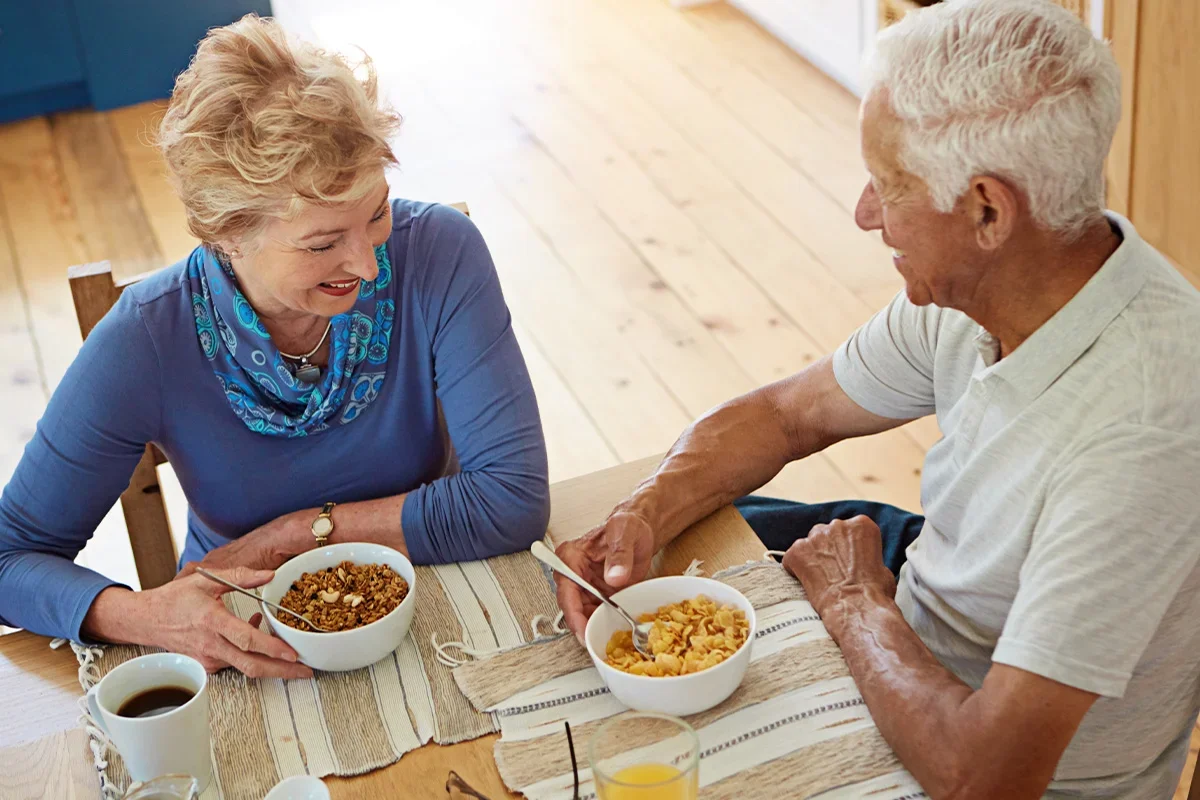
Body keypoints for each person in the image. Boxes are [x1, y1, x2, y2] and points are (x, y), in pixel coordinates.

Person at [553, 1, 1200, 797]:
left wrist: (856, 602)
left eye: (889, 185)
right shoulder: (1008, 282)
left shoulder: (1141, 436)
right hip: (926, 602)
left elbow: (986, 778)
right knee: (692, 543)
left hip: (988, 755)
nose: (864, 213)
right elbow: (787, 414)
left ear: (988, 210)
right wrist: (644, 515)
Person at [0, 16, 549, 680]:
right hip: (244, 642)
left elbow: (511, 501)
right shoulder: (144, 339)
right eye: (322, 244)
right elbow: (10, 558)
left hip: (433, 607)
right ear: (226, 235)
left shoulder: (437, 251)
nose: (370, 267)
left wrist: (293, 535)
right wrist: (147, 614)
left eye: (376, 212)